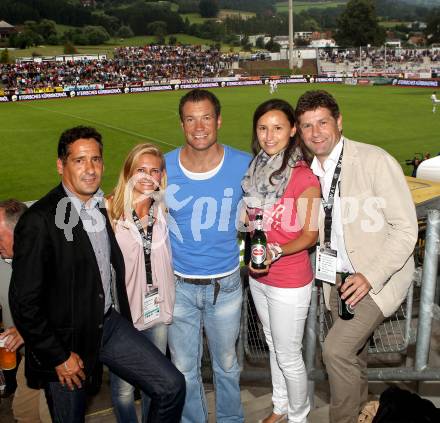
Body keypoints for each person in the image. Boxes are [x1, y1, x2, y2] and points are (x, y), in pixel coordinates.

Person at [9, 126, 185, 423]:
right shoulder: (39, 220)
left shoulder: (100, 208)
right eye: (79, 160)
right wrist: (59, 356)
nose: (90, 169)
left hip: (107, 325)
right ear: (60, 165)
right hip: (65, 342)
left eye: (96, 160)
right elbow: (23, 301)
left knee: (171, 386)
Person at [295, 90, 418, 423]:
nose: (315, 132)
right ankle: (367, 415)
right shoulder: (307, 172)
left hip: (377, 279)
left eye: (322, 122)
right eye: (307, 125)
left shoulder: (374, 160)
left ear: (339, 121)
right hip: (336, 280)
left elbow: (406, 230)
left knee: (335, 351)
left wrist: (370, 276)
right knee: (353, 359)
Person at [165, 89, 251, 423]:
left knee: (227, 366)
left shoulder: (244, 164)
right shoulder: (163, 166)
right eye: (190, 119)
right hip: (178, 286)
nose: (198, 126)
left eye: (205, 118)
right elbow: (127, 202)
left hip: (226, 285)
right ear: (181, 123)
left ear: (218, 120)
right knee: (184, 370)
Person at [241, 99, 320, 423]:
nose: (269, 135)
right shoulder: (255, 169)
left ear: (291, 130)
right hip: (259, 276)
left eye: (277, 128)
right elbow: (253, 222)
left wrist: (276, 250)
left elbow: (309, 235)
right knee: (274, 346)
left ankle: (299, 417)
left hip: (288, 279)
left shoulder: (304, 178)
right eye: (262, 128)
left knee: (289, 357)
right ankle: (280, 407)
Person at [106, 143, 175, 423]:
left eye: (154, 171)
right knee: (123, 392)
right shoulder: (108, 209)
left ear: (162, 175)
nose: (147, 177)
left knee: (154, 385)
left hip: (156, 310)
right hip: (123, 314)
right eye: (141, 170)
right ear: (128, 172)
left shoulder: (165, 210)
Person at [0, 199, 51, 423]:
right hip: (29, 358)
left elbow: (68, 308)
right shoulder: (4, 261)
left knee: (48, 414)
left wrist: (26, 330)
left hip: (56, 355)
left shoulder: (51, 258)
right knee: (24, 412)